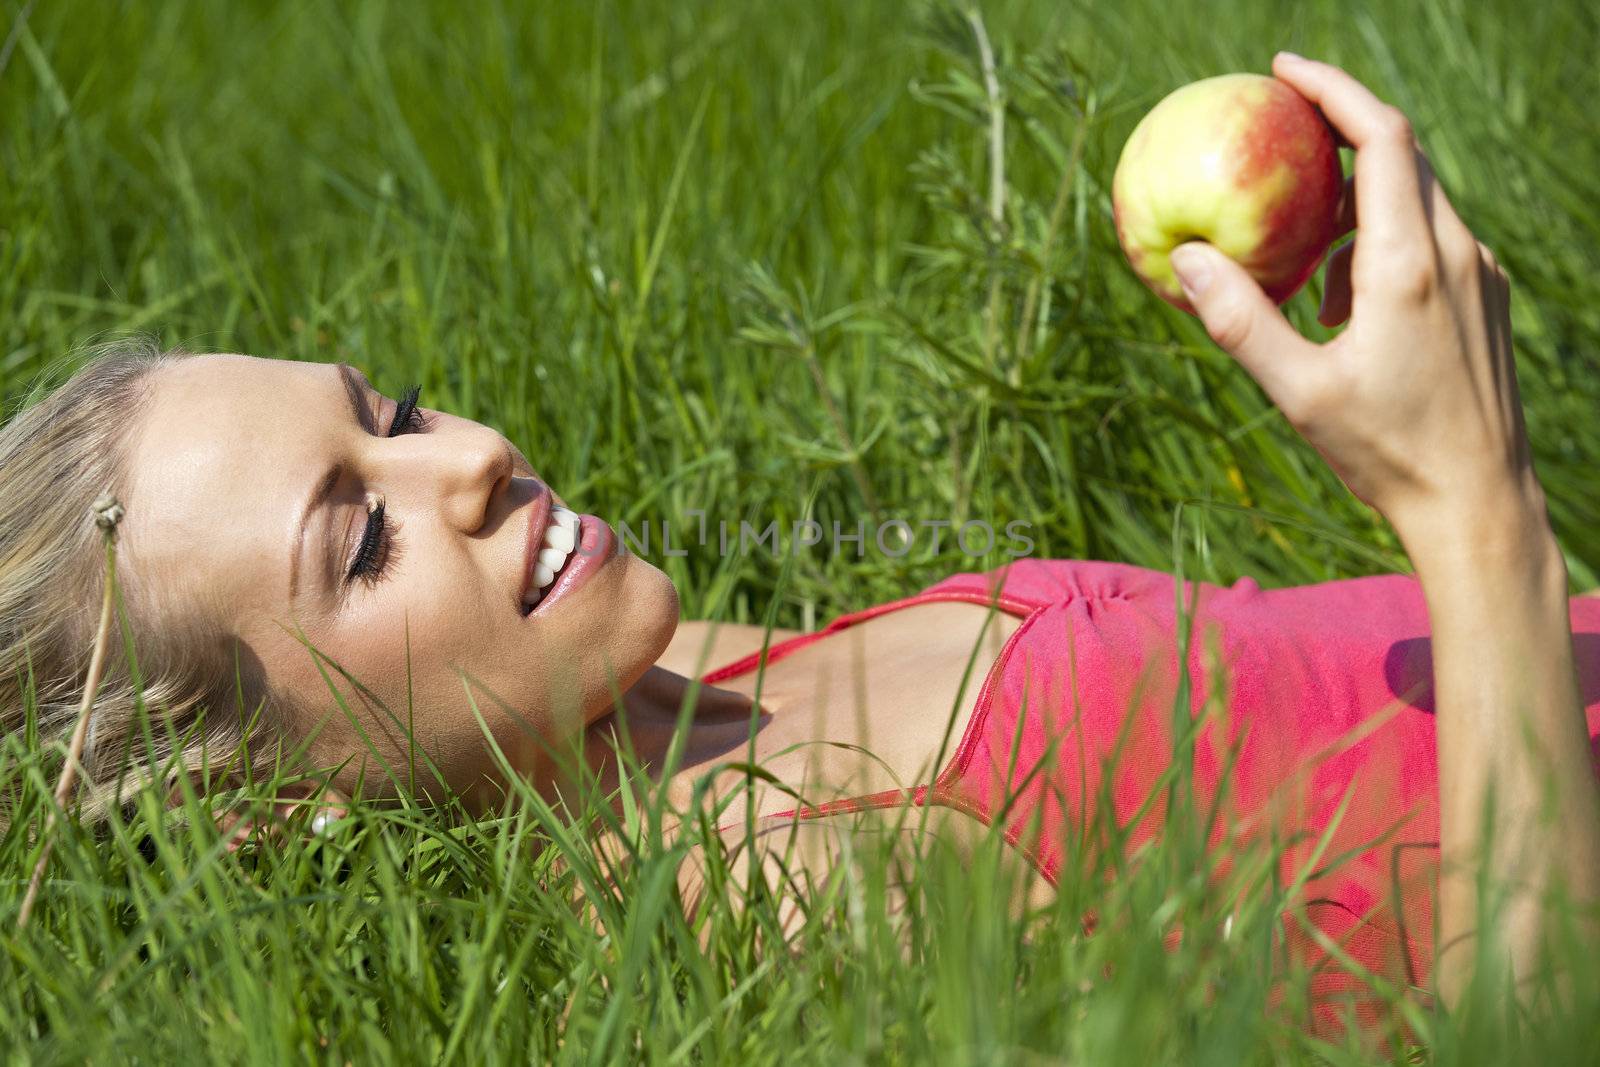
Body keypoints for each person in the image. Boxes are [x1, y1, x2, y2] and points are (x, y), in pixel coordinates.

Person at [2, 53, 1596, 1018]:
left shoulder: (640, 703)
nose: (473, 458)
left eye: (398, 414)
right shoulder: (779, 896)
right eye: (361, 545)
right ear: (260, 813)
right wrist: (1474, 504)